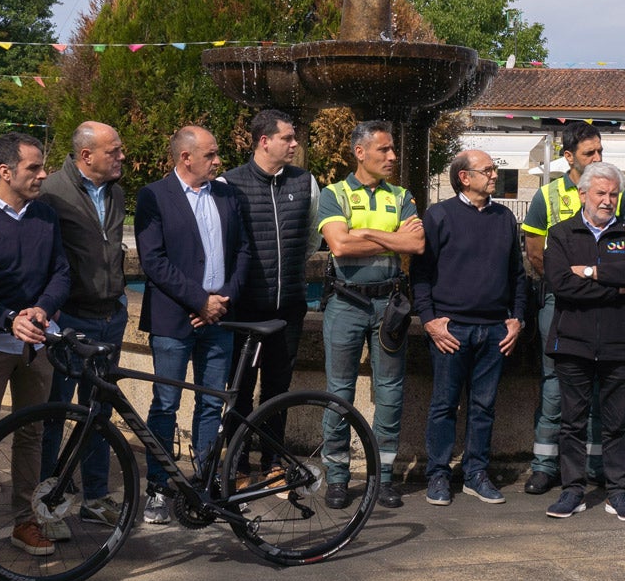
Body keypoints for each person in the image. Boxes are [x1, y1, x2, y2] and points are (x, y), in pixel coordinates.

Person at [0, 132, 71, 556]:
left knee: (32, 433)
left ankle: (26, 520)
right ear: (6, 172)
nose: (43, 174)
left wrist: (42, 308)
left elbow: (61, 271)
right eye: (34, 168)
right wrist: (9, 319)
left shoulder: (45, 215)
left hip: (38, 345)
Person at [134, 125, 248, 525]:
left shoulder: (228, 193)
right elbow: (154, 261)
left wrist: (221, 301)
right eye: (211, 154)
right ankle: (160, 489)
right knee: (165, 405)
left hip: (220, 317)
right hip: (174, 319)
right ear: (185, 157)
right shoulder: (154, 196)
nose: (218, 161)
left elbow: (244, 251)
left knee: (212, 402)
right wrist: (200, 301)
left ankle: (205, 482)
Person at [316, 120, 424, 509]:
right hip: (346, 303)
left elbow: (416, 244)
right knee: (338, 393)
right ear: (360, 153)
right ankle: (339, 478)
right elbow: (339, 246)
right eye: (384, 150)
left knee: (391, 394)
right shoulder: (334, 193)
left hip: (389, 306)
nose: (393, 156)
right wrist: (390, 240)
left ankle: (384, 477)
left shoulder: (402, 195)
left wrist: (366, 234)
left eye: (393, 149)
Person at [542, 162, 625, 522]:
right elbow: (561, 284)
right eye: (600, 194)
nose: (607, 201)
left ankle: (619, 493)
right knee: (572, 423)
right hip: (573, 343)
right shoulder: (561, 233)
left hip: (620, 343)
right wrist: (617, 285)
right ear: (583, 194)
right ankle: (572, 491)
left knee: (617, 424)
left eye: (613, 194)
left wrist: (592, 272)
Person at [520, 122, 625, 496]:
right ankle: (544, 465)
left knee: (601, 385)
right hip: (560, 301)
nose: (598, 158)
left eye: (600, 151)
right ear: (569, 157)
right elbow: (535, 254)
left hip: (606, 304)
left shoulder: (619, 193)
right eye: (589, 153)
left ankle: (596, 465)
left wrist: (596, 284)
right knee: (555, 385)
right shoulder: (546, 196)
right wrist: (571, 285)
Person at [413, 149, 526, 506]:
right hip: (451, 331)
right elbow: (420, 275)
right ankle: (438, 474)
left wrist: (517, 318)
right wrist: (430, 320)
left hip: (494, 330)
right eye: (488, 170)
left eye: (494, 169)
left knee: (484, 406)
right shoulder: (439, 216)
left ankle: (476, 473)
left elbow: (518, 276)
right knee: (444, 405)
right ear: (465, 177)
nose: (494, 175)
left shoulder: (505, 218)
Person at [37, 121, 129, 528]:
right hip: (69, 319)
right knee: (54, 413)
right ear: (86, 155)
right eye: (114, 151)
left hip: (110, 317)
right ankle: (45, 501)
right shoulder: (52, 191)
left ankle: (95, 495)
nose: (122, 156)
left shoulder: (117, 191)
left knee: (99, 411)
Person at [219, 110, 316, 485]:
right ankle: (239, 464)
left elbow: (310, 240)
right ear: (264, 141)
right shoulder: (230, 184)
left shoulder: (305, 182)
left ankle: (274, 462)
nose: (295, 145)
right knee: (240, 389)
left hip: (288, 308)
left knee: (278, 390)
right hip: (244, 309)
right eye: (288, 138)